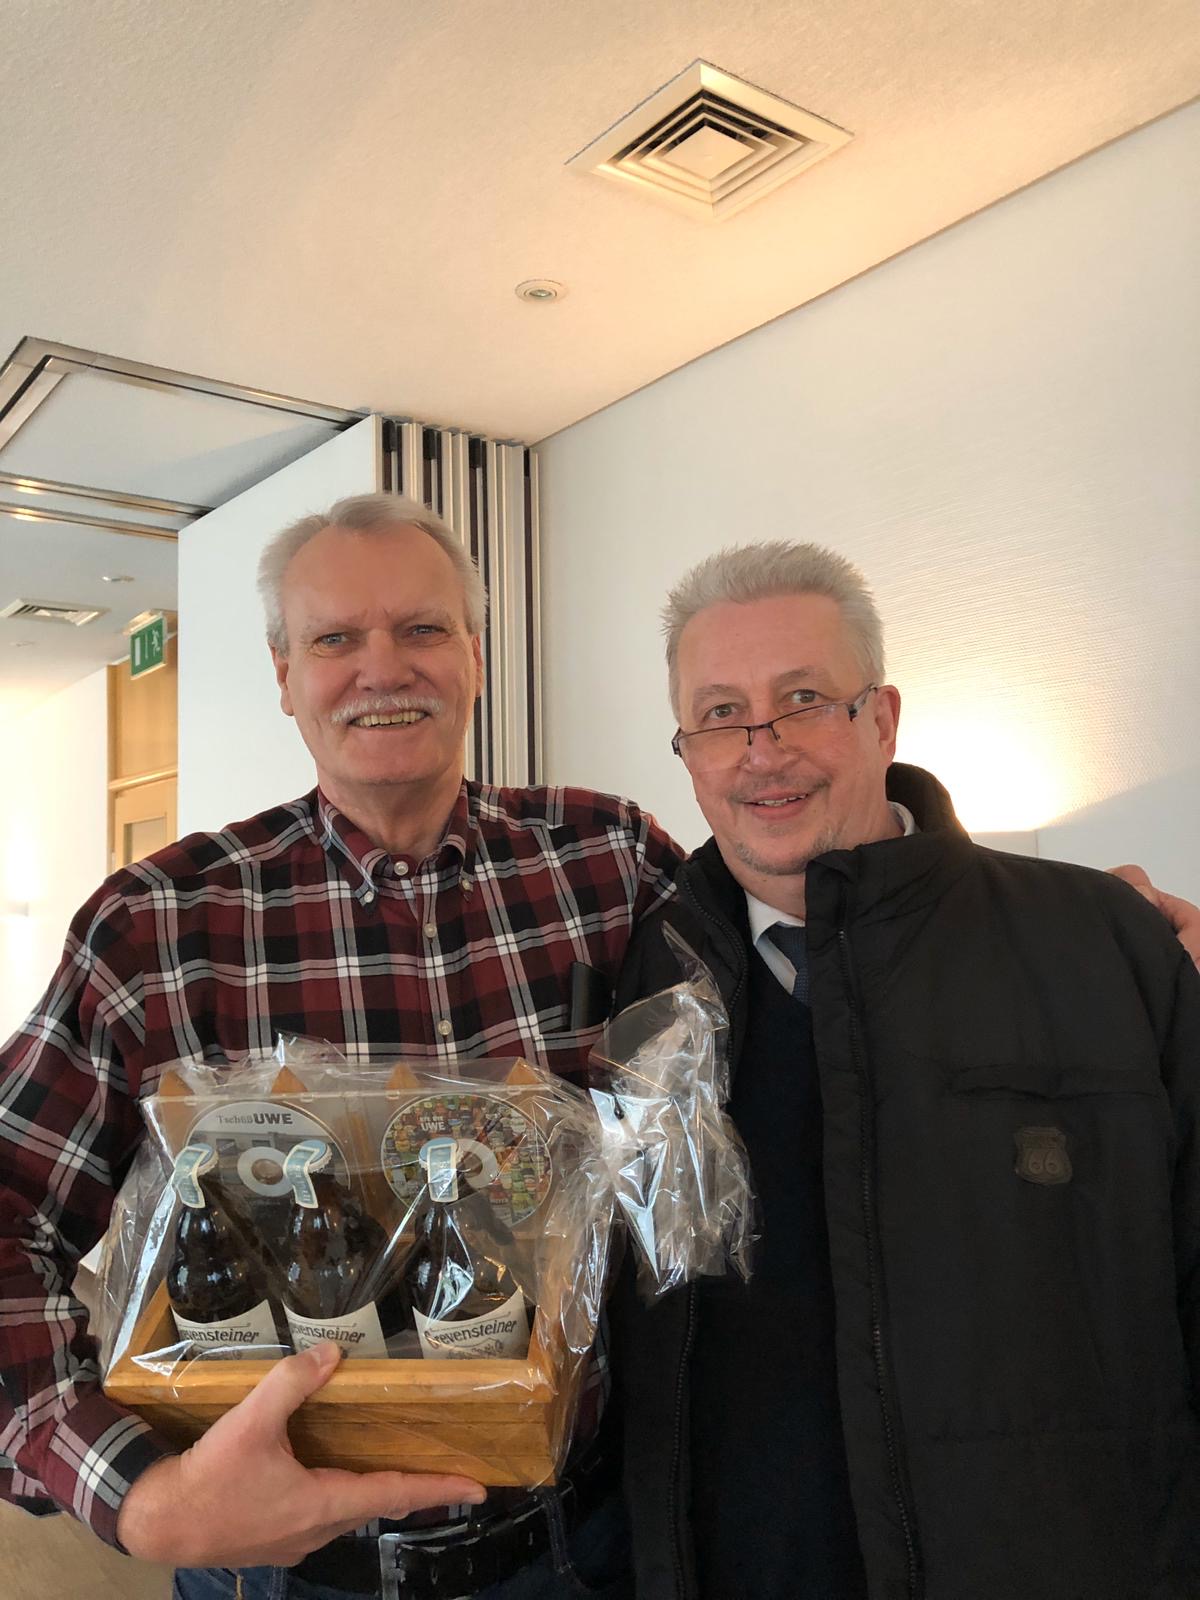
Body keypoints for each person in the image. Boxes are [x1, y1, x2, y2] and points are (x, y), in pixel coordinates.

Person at [0, 497, 1194, 1600]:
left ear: (475, 655)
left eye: (423, 627)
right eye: (335, 639)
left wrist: (1074, 931)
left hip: (585, 1550)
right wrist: (136, 1494)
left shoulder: (607, 862)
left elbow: (822, 909)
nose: (383, 667)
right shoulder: (161, 924)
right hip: (289, 1571)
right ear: (283, 675)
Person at [609, 540, 1200, 1600]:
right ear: (688, 750)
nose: (762, 750)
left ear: (881, 719)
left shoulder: (1104, 945)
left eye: (803, 700)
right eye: (722, 714)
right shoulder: (649, 980)